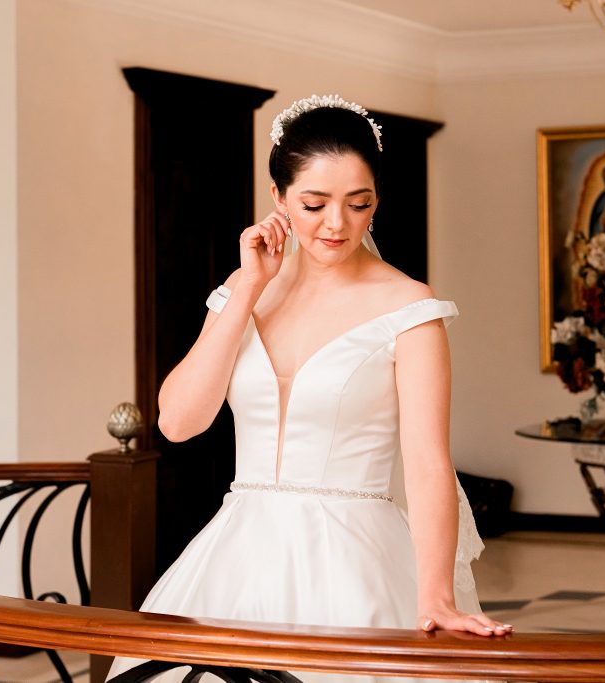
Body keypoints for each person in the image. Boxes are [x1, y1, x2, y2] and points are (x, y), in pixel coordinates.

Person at [109, 95, 509, 683]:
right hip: (236, 556)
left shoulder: (409, 307)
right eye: (315, 204)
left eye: (359, 204)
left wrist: (435, 596)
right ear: (278, 199)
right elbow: (177, 422)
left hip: (358, 561)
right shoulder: (242, 291)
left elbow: (428, 464)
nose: (337, 224)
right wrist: (248, 288)